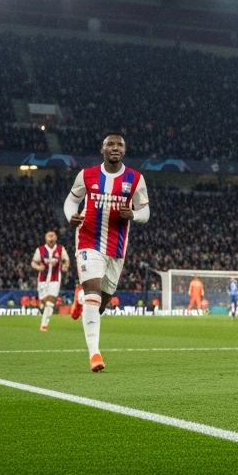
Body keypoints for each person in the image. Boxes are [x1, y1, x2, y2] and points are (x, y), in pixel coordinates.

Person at [64, 131, 150, 372]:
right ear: (102, 150)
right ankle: (95, 354)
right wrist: (70, 215)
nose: (115, 147)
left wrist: (134, 215)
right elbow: (71, 201)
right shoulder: (87, 175)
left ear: (124, 150)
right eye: (110, 144)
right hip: (88, 238)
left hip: (116, 247)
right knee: (93, 289)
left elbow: (145, 212)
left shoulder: (135, 179)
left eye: (119, 145)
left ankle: (81, 300)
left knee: (101, 302)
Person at [30, 231, 68, 332]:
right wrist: (38, 267)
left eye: (53, 236)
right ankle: (41, 305)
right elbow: (33, 262)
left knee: (50, 303)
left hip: (55, 280)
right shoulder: (40, 250)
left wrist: (65, 266)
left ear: (56, 238)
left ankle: (44, 325)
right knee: (43, 302)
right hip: (42, 280)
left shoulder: (60, 249)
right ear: (45, 238)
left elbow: (66, 260)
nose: (51, 238)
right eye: (49, 236)